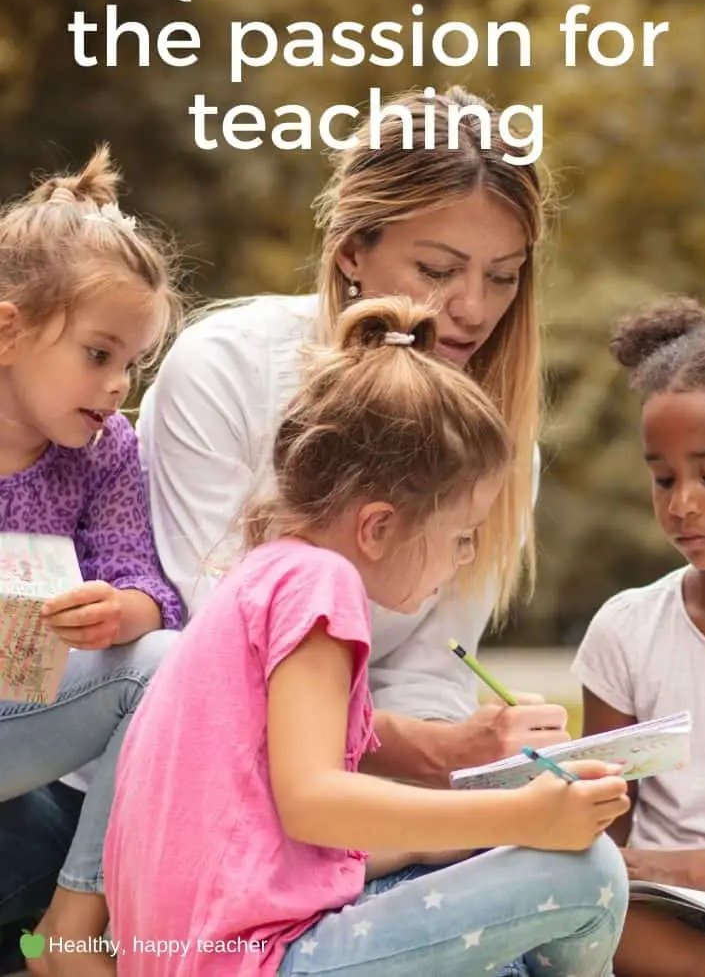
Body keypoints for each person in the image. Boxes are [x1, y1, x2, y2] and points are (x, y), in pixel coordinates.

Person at [105, 296, 630, 977]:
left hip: (213, 951)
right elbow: (316, 806)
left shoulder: (268, 577)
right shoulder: (319, 585)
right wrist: (521, 818)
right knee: (585, 872)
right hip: (255, 961)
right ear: (379, 528)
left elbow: (288, 847)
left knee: (490, 872)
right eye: (460, 536)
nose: (463, 558)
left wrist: (475, 828)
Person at [137, 85, 570, 792]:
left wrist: (460, 755)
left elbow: (429, 672)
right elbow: (213, 655)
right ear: (348, 253)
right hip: (177, 781)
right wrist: (433, 753)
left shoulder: (497, 446)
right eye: (436, 270)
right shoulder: (225, 368)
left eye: (503, 278)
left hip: (349, 792)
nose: (471, 308)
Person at [0, 148, 183, 977]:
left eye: (133, 363)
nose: (117, 386)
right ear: (9, 329)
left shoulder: (107, 451)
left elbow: (149, 586)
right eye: (99, 354)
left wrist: (125, 612)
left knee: (165, 662)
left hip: (23, 720)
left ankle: (69, 929)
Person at [572, 297, 705, 977]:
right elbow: (602, 834)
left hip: (680, 884)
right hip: (668, 921)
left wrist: (661, 862)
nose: (681, 503)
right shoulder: (627, 629)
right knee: (585, 914)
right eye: (662, 478)